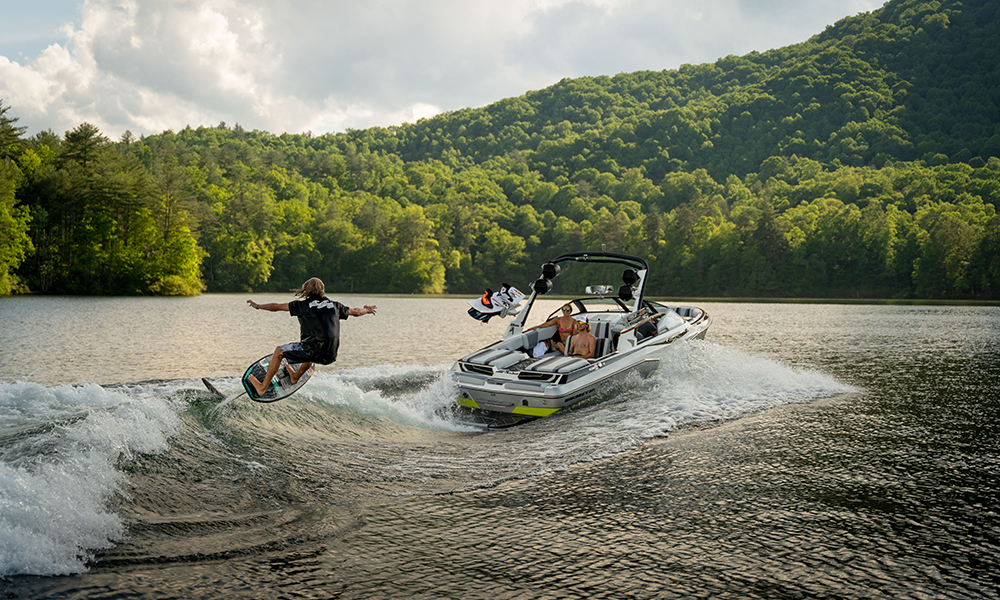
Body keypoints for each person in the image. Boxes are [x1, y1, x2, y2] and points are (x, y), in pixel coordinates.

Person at [245, 277, 377, 396]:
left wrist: (258, 306)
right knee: (309, 346)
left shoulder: (302, 305)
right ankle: (295, 377)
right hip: (331, 354)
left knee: (279, 351)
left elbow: (275, 307)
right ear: (322, 291)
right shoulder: (335, 306)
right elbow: (356, 312)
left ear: (306, 290)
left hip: (312, 349)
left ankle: (262, 387)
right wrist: (367, 309)